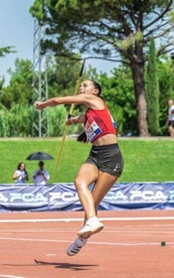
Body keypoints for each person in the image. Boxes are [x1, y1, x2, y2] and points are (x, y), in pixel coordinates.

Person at [35, 79, 124, 256]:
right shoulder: (90, 113)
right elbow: (79, 118)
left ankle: (81, 239)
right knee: (80, 182)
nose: (81, 88)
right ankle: (92, 220)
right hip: (95, 154)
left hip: (111, 157)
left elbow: (59, 100)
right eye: (81, 85)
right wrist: (70, 122)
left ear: (96, 91)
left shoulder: (96, 102)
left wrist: (43, 104)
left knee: (94, 202)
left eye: (85, 85)